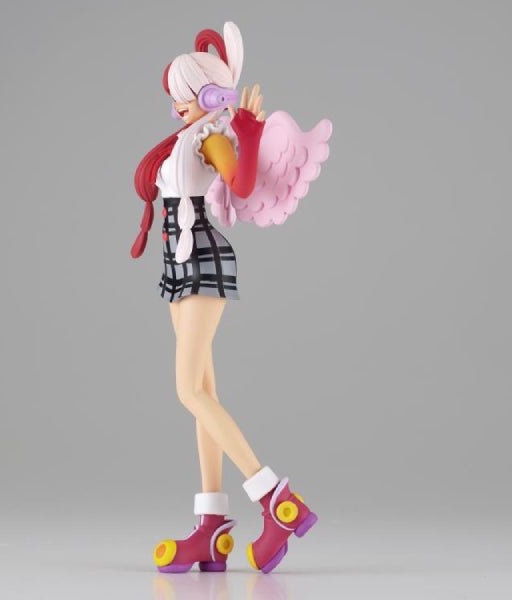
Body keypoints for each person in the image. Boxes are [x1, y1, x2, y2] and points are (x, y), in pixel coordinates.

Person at [131, 21, 330, 574]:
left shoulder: (211, 136)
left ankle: (276, 500)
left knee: (188, 390)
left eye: (184, 94)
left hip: (201, 260)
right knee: (205, 392)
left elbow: (240, 185)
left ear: (210, 95)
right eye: (173, 95)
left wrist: (246, 127)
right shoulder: (188, 137)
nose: (176, 104)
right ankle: (211, 524)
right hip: (178, 263)